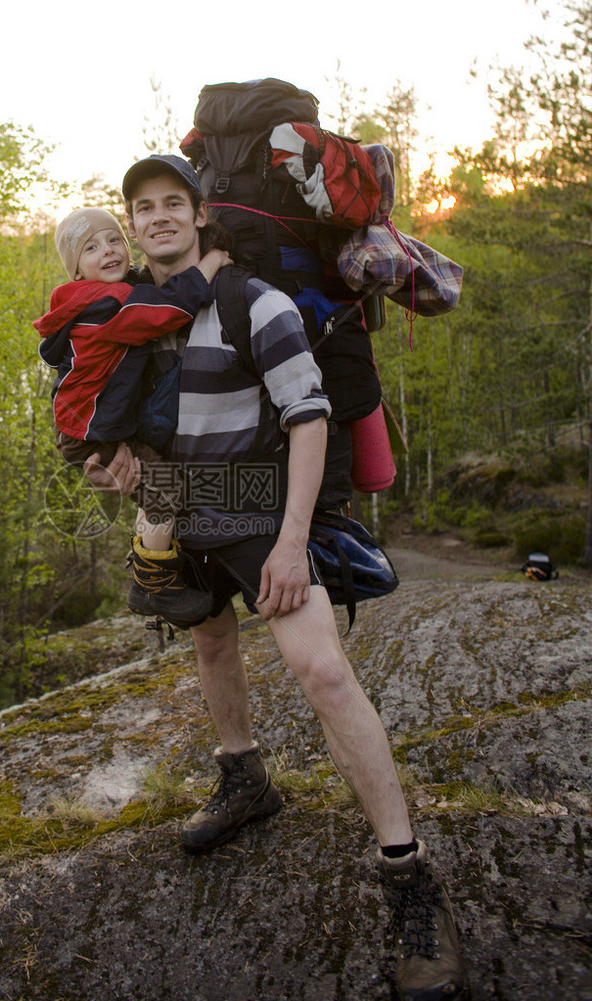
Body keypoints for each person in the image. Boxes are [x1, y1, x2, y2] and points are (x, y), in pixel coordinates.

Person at [86, 155, 469, 1001]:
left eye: (171, 204)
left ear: (199, 214)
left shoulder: (254, 301)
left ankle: (410, 878)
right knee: (212, 641)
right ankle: (244, 777)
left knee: (325, 671)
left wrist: (293, 541)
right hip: (178, 503)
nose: (156, 219)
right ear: (130, 222)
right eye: (141, 208)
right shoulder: (134, 317)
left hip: (260, 507)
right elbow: (111, 426)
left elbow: (309, 416)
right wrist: (113, 470)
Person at [35, 206, 231, 627]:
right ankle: (155, 583)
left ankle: (149, 568)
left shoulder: (90, 299)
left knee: (153, 483)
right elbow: (170, 309)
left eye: (113, 241)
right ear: (77, 271)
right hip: (89, 437)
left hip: (92, 428)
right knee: (165, 493)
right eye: (91, 248)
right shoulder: (105, 308)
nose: (108, 250)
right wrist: (213, 260)